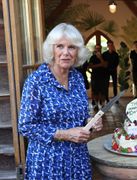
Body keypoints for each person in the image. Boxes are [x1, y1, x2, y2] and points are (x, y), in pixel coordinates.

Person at [18, 23, 103, 179]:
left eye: (71, 47)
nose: (66, 53)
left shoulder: (77, 78)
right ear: (52, 50)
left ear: (78, 52)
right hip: (47, 163)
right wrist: (65, 134)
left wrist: (91, 121)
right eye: (60, 47)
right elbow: (25, 126)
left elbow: (82, 114)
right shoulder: (36, 82)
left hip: (77, 160)